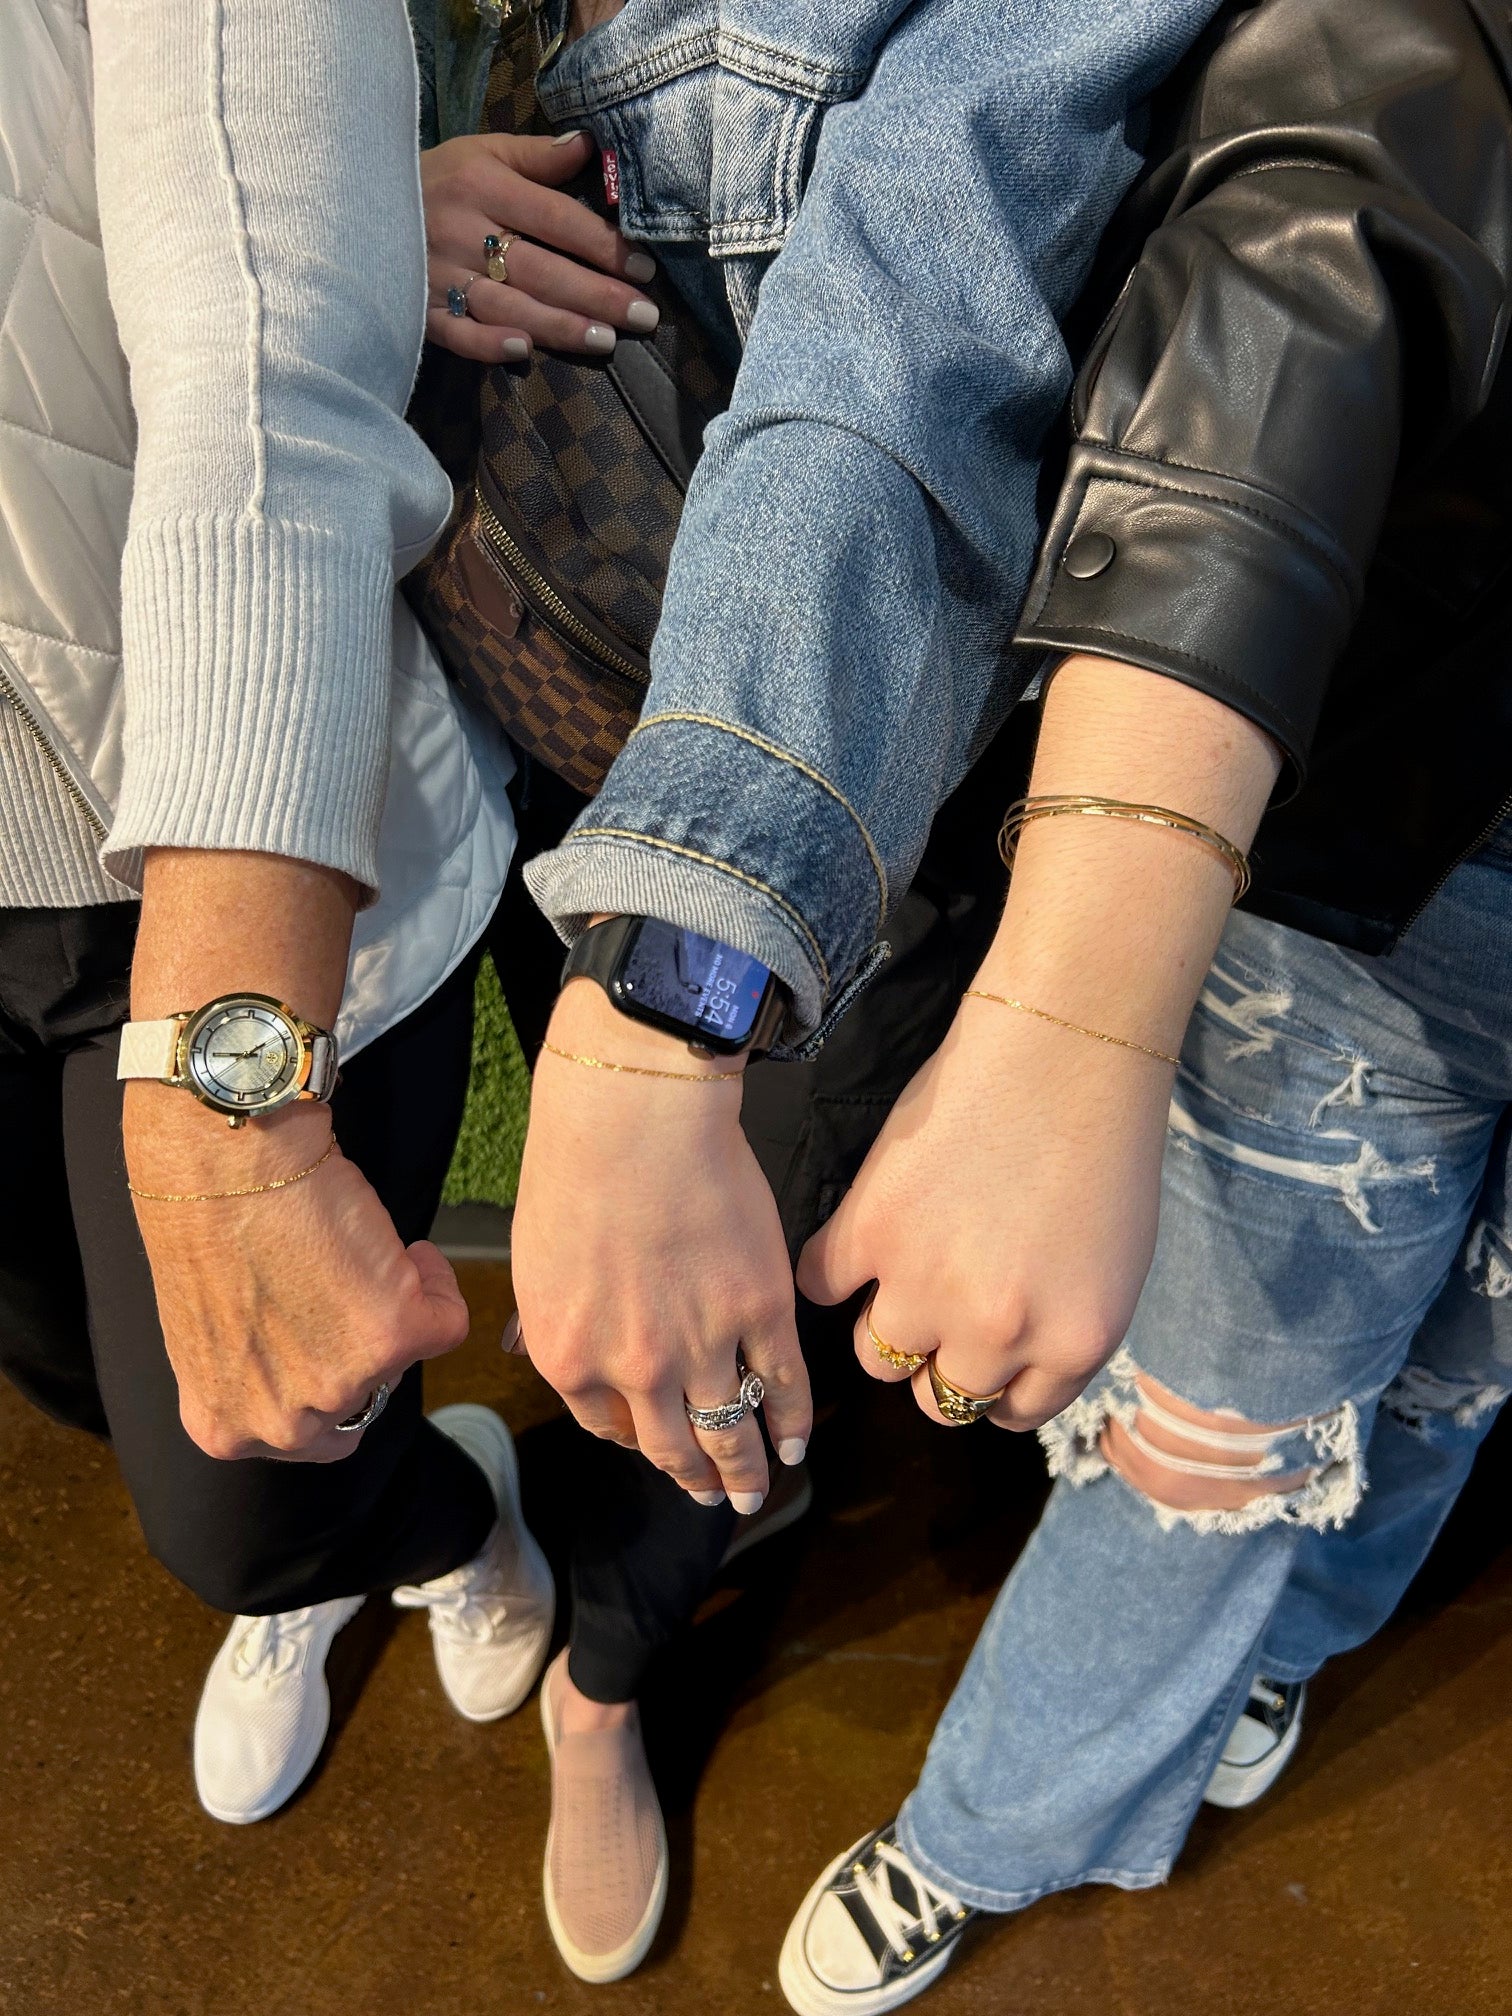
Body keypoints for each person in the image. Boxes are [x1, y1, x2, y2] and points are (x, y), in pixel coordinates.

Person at [406, 0, 1227, 1980]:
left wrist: (665, 998)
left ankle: (611, 1677)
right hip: (513, 672)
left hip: (829, 803)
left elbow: (919, 291)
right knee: (605, 1280)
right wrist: (372, 207)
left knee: (736, 1336)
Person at [767, 1, 1512, 2007]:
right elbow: (1309, 235)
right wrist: (1075, 1013)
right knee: (1218, 1417)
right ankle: (999, 1823)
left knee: (1465, 1367)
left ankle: (1290, 1647)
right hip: (1397, 855)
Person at [0, 0, 617, 1829]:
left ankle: (441, 1524)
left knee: (240, 1511)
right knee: (80, 1373)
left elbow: (258, 361)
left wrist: (328, 215)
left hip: (197, 831)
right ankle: (370, 1535)